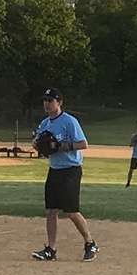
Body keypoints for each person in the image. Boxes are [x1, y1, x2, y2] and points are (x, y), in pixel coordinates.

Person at [31, 88, 98, 263]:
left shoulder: (69, 121)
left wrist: (63, 146)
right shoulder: (45, 123)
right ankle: (50, 250)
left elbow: (83, 144)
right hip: (54, 169)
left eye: (50, 100)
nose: (47, 103)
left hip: (70, 169)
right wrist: (37, 145)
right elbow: (39, 143)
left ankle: (90, 243)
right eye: (45, 100)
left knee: (71, 211)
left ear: (59, 103)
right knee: (51, 211)